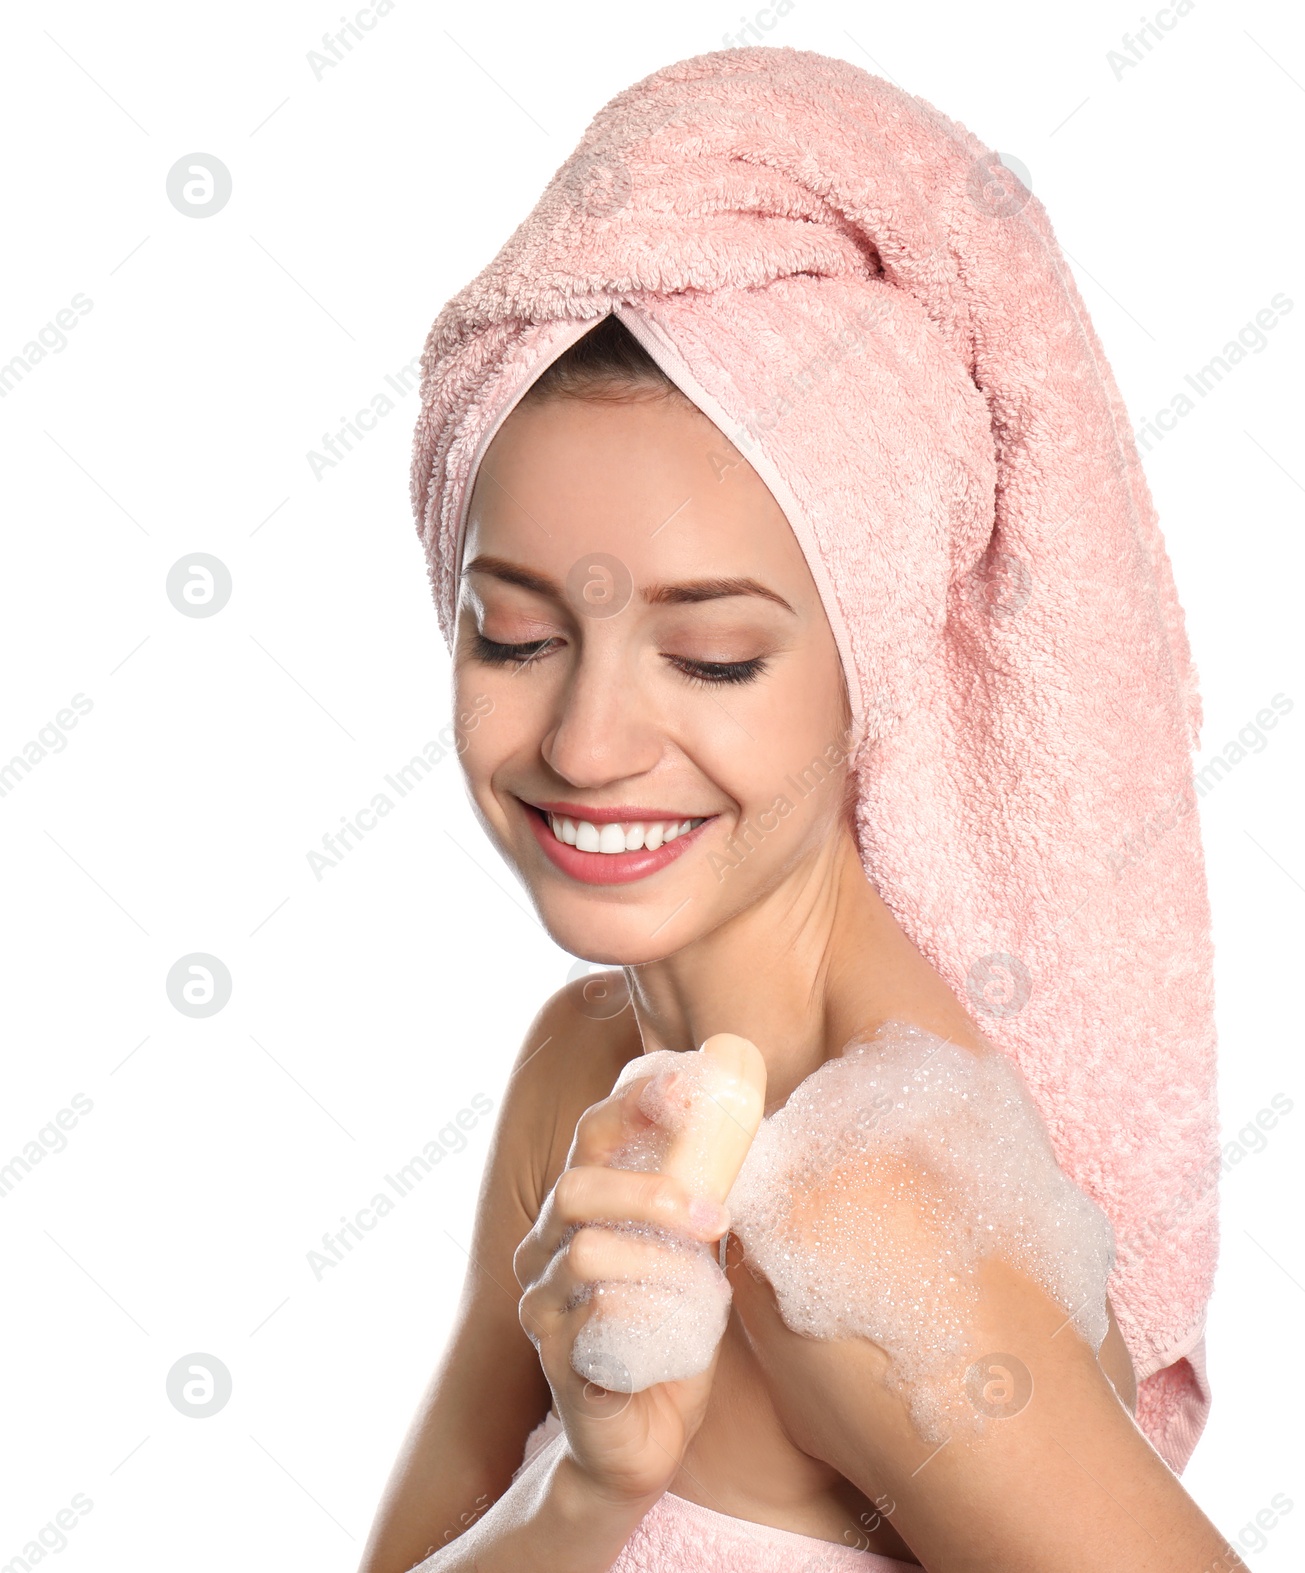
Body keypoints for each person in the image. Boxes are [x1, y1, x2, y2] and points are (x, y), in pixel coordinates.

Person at [363, 46, 1228, 1573]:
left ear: (865, 669)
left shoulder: (864, 1211)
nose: (588, 737)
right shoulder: (584, 1065)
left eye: (712, 654)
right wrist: (584, 1493)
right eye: (516, 632)